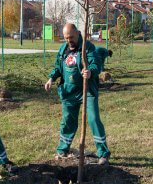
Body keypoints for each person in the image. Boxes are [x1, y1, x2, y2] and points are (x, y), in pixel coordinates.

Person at [43, 24, 110, 164]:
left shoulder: (88, 47)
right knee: (68, 121)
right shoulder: (63, 49)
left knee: (94, 119)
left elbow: (96, 64)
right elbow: (58, 67)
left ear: (78, 34)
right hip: (69, 92)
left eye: (71, 37)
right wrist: (51, 79)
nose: (69, 40)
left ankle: (103, 154)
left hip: (86, 91)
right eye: (66, 38)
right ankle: (63, 150)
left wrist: (90, 71)